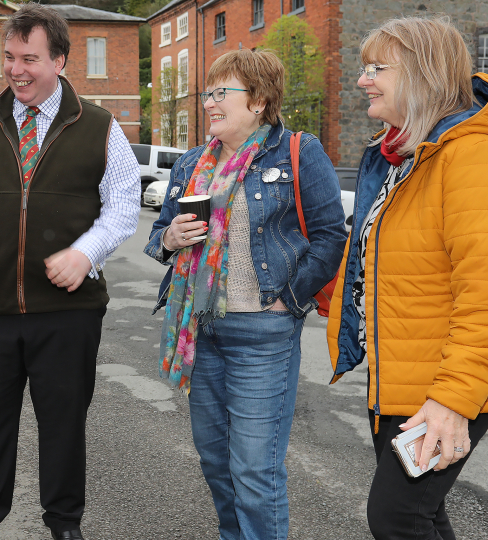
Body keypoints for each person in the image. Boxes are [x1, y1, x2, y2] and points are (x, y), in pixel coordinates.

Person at [0, 4, 140, 540]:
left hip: (67, 314)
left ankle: (64, 526)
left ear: (60, 61)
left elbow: (123, 204)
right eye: (9, 57)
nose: (16, 70)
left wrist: (87, 252)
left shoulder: (100, 126)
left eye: (30, 58)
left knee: (63, 429)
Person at [144, 49, 346, 539]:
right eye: (207, 94)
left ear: (257, 100)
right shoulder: (193, 163)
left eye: (221, 93)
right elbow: (158, 234)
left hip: (263, 335)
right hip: (201, 331)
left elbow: (331, 235)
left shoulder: (297, 151)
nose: (209, 103)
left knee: (255, 473)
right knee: (216, 463)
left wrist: (287, 300)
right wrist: (169, 239)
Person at [326, 16, 488, 539]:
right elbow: (387, 261)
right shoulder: (405, 157)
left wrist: (453, 400)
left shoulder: (474, 155)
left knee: (398, 517)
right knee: (421, 514)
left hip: (446, 378)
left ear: (424, 75)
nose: (363, 80)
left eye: (378, 68)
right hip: (402, 372)